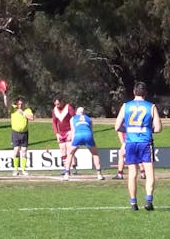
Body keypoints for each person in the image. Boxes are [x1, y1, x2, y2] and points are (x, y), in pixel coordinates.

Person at [115, 81, 162, 211]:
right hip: (145, 143)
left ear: (134, 92)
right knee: (150, 174)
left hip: (130, 143)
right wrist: (146, 129)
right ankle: (148, 201)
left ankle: (133, 203)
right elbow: (158, 128)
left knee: (132, 174)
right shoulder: (151, 107)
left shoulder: (125, 106)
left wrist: (129, 130)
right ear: (145, 93)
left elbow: (117, 127)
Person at [63, 107, 104, 181]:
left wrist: (73, 142)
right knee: (95, 154)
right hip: (88, 135)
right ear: (84, 112)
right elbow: (91, 130)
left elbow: (73, 131)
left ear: (76, 112)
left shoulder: (73, 118)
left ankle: (66, 174)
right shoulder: (89, 119)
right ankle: (99, 174)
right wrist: (92, 141)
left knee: (70, 154)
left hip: (78, 135)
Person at [3, 94, 34, 176]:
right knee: (16, 150)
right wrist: (5, 95)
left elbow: (32, 118)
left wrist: (23, 113)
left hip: (24, 133)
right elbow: (6, 104)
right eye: (19, 104)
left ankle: (23, 170)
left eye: (21, 104)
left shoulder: (27, 110)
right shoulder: (13, 108)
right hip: (15, 133)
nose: (20, 105)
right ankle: (16, 169)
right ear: (16, 103)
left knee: (24, 151)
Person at [52, 98, 76, 175]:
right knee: (62, 149)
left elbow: (74, 118)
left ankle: (73, 167)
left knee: (70, 149)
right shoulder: (54, 110)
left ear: (62, 102)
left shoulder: (68, 107)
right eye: (55, 104)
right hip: (60, 133)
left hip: (69, 131)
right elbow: (54, 122)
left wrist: (72, 131)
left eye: (58, 104)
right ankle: (66, 168)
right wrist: (57, 133)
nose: (57, 105)